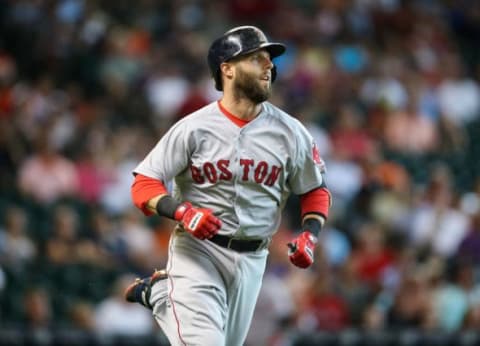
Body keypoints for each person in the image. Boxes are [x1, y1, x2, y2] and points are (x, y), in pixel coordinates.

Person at [124, 25, 332, 346]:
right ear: (228, 69)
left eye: (270, 60)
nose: (269, 66)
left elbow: (314, 189)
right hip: (198, 251)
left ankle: (164, 296)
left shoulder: (291, 132)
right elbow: (144, 184)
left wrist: (310, 235)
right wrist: (182, 211)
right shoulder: (194, 128)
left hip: (253, 259)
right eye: (257, 58)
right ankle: (172, 293)